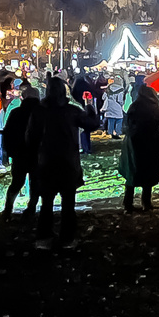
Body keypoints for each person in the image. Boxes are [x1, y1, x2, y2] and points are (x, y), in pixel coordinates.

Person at [29, 77, 100, 249]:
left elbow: (30, 137)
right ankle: (67, 238)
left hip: (46, 162)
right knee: (68, 204)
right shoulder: (72, 111)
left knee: (47, 202)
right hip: (67, 162)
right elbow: (92, 124)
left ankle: (44, 237)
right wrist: (89, 107)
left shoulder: (39, 111)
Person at [0, 86, 42, 220]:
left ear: (23, 98)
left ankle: (8, 209)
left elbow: (7, 133)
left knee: (16, 182)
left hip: (20, 154)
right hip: (38, 154)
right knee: (36, 183)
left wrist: (9, 152)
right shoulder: (43, 113)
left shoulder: (16, 112)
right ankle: (32, 208)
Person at [120, 86, 159, 210]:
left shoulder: (134, 106)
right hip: (150, 144)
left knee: (132, 173)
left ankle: (128, 203)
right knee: (147, 175)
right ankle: (146, 203)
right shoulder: (155, 108)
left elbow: (128, 123)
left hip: (133, 144)